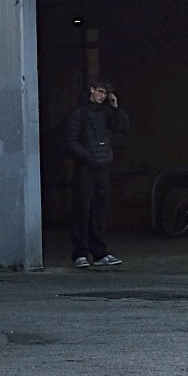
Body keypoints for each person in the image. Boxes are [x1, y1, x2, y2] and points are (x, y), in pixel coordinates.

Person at [62, 77, 130, 270]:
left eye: (105, 93)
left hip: (102, 168)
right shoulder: (79, 114)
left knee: (100, 211)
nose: (103, 96)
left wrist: (117, 108)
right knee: (82, 211)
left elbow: (123, 129)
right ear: (91, 90)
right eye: (100, 92)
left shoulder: (106, 113)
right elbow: (71, 141)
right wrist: (89, 157)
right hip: (85, 168)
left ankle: (100, 252)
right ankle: (80, 253)